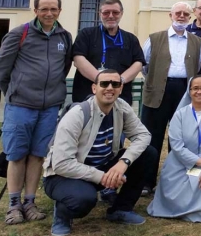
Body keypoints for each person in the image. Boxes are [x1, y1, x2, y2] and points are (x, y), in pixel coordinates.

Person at [43, 69, 156, 235]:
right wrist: (103, 177)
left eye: (115, 84)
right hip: (64, 175)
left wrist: (122, 163)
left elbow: (143, 135)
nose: (110, 88)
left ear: (120, 88)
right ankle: (62, 214)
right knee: (84, 200)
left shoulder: (121, 107)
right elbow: (61, 164)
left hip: (102, 165)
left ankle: (120, 210)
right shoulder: (78, 114)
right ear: (94, 88)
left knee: (148, 154)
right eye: (104, 83)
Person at [0, 0, 72, 225]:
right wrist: (14, 91)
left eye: (54, 9)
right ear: (35, 10)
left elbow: (64, 68)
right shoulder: (20, 33)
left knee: (38, 155)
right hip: (20, 105)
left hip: (49, 107)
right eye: (44, 9)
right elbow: (1, 68)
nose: (49, 13)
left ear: (59, 11)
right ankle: (14, 205)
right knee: (16, 155)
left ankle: (30, 202)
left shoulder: (64, 36)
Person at [147, 75, 201, 224]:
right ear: (189, 91)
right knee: (177, 191)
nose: (200, 92)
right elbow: (177, 146)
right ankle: (195, 210)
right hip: (180, 161)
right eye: (195, 88)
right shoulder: (179, 115)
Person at [141, 2, 201, 193]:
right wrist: (159, 81)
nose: (181, 16)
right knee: (152, 136)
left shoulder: (196, 41)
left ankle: (176, 179)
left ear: (190, 17)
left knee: (182, 137)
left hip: (184, 91)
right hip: (158, 90)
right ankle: (146, 181)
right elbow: (145, 66)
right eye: (178, 13)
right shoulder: (155, 38)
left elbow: (198, 66)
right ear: (170, 15)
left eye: (185, 13)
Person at [72, 0, 144, 105]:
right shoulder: (86, 34)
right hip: (87, 97)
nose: (111, 16)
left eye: (115, 12)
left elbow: (138, 63)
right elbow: (78, 59)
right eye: (106, 12)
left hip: (120, 98)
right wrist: (101, 81)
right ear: (99, 13)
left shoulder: (131, 39)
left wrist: (119, 81)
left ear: (121, 14)